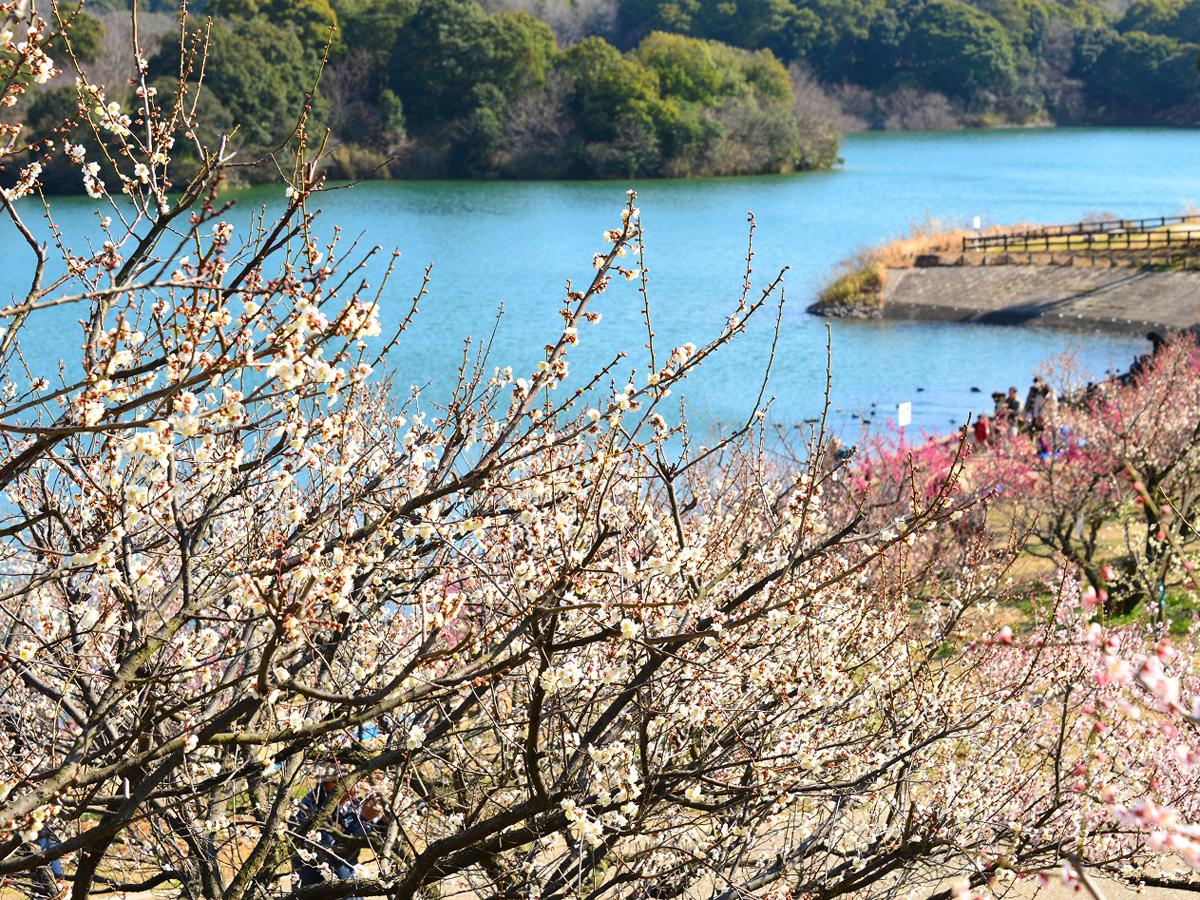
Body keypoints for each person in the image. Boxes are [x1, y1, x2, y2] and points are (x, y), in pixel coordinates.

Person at [291, 767, 388, 898]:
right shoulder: (308, 810)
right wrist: (362, 820)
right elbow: (331, 853)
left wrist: (386, 821)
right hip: (319, 891)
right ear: (330, 783)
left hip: (351, 887)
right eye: (351, 782)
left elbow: (377, 838)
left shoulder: (352, 805)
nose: (356, 788)